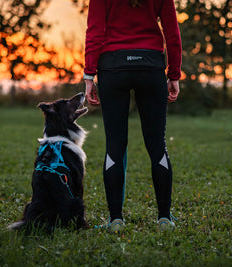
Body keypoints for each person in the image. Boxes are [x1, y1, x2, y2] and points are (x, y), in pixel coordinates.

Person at [84, 0, 182, 232]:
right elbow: (172, 32)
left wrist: (89, 74)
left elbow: (94, 31)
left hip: (112, 67)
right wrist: (174, 74)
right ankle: (164, 219)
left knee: (115, 145)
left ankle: (116, 220)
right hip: (150, 66)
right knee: (157, 145)